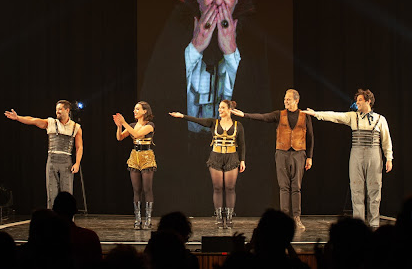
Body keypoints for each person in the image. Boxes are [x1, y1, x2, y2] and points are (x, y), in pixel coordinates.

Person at [303, 89, 393, 229]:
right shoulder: (353, 117)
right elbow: (335, 116)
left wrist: (389, 158)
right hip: (356, 154)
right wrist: (316, 114)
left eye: (360, 100)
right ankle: (359, 223)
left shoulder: (380, 119)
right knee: (356, 189)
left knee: (374, 189)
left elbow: (386, 141)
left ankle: (374, 223)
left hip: (374, 155)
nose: (357, 103)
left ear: (368, 101)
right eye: (356, 101)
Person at [231, 89, 313, 230]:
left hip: (299, 154)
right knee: (283, 187)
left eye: (288, 99)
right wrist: (244, 114)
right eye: (285, 99)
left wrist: (309, 157)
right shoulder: (279, 114)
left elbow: (310, 137)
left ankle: (297, 218)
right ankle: (284, 218)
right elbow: (263, 117)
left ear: (296, 100)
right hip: (282, 153)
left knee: (296, 187)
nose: (285, 101)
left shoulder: (305, 116)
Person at [184, 0, 244, 133]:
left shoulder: (254, 39)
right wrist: (195, 48)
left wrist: (231, 52)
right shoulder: (176, 27)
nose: (218, 2)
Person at [169, 99, 246, 228]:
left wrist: (242, 160)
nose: (219, 110)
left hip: (232, 157)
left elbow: (242, 144)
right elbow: (196, 120)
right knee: (217, 187)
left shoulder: (238, 125)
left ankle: (229, 217)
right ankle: (219, 217)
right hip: (216, 157)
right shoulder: (213, 122)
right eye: (219, 107)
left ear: (229, 110)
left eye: (222, 108)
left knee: (230, 188)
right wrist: (182, 116)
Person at [4, 100, 83, 209]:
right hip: (52, 161)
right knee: (51, 192)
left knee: (67, 193)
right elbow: (33, 120)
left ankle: (67, 217)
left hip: (66, 161)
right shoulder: (51, 123)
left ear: (67, 110)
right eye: (56, 109)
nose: (57, 112)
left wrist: (77, 163)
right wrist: (18, 118)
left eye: (60, 109)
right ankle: (51, 216)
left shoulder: (75, 127)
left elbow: (79, 147)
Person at [113, 101, 157, 229]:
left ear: (145, 111)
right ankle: (138, 220)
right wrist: (119, 126)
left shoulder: (150, 125)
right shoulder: (132, 125)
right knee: (136, 190)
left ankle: (148, 219)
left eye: (137, 109)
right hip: (134, 157)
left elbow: (137, 134)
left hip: (146, 157)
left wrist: (124, 122)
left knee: (147, 189)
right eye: (134, 109)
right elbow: (120, 137)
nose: (134, 111)